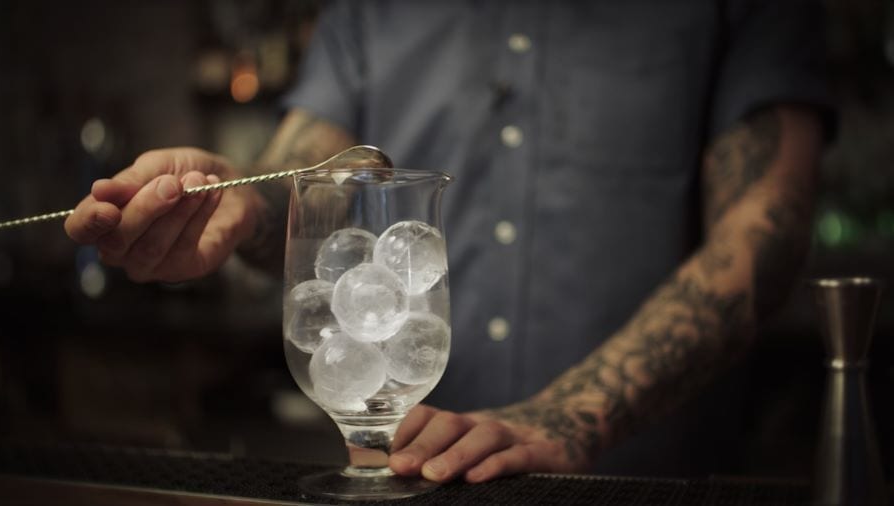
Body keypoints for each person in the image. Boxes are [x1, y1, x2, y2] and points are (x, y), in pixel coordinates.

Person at [65, 0, 832, 484]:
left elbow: (768, 228)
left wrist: (566, 418)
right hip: (407, 482)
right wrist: (236, 200)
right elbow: (310, 177)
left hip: (647, 481)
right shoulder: (370, 11)